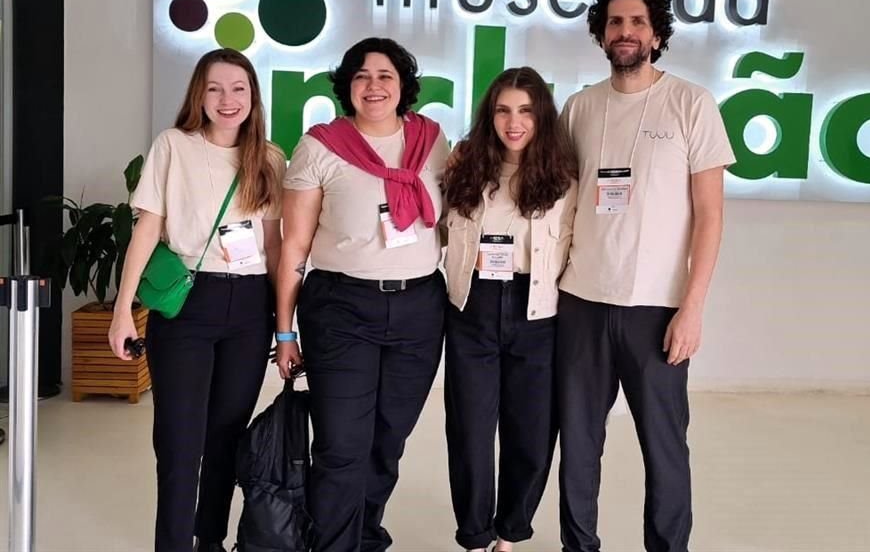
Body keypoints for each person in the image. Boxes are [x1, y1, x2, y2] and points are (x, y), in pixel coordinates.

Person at [556, 0, 736, 552]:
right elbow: (557, 199)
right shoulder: (580, 107)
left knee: (664, 446)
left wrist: (693, 308)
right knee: (579, 444)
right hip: (581, 301)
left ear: (657, 34)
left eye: (637, 22)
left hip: (657, 310)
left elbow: (710, 216)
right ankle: (578, 545)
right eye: (614, 22)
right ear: (600, 34)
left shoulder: (691, 103)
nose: (625, 32)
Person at [274, 37, 450, 552]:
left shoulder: (432, 141)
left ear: (403, 86)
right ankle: (334, 543)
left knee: (387, 440)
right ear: (346, 86)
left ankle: (364, 533)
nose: (373, 86)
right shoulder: (321, 145)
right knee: (342, 443)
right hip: (341, 308)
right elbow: (294, 248)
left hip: (419, 309)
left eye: (385, 76)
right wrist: (285, 331)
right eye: (361, 76)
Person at [107, 48, 286, 552]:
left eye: (238, 89)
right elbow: (146, 230)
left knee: (227, 433)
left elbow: (273, 246)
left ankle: (210, 539)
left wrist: (284, 324)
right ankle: (172, 544)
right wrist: (124, 312)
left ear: (253, 96)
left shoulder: (269, 158)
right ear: (198, 96)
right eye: (215, 89)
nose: (227, 100)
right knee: (179, 439)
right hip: (189, 302)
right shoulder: (174, 146)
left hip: (251, 306)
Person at [443, 67, 577, 552]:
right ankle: (475, 537)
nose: (513, 122)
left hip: (537, 312)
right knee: (471, 433)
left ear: (541, 115)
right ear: (489, 116)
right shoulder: (464, 168)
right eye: (503, 110)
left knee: (532, 434)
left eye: (525, 111)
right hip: (472, 308)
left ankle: (510, 534)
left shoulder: (565, 177)